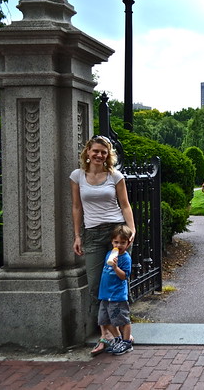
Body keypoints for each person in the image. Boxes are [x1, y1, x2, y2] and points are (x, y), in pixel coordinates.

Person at [70, 135, 136, 355]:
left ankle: (123, 332)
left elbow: (125, 205)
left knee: (118, 283)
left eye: (104, 152)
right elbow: (77, 207)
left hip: (115, 233)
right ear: (87, 152)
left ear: (108, 155)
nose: (99, 155)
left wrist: (131, 230)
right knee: (96, 285)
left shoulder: (115, 176)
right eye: (95, 151)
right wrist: (77, 235)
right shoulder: (77, 176)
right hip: (92, 235)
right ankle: (105, 334)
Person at [97, 225, 134, 356]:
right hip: (105, 295)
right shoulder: (109, 253)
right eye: (116, 242)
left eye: (122, 243)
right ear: (112, 242)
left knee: (122, 319)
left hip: (117, 295)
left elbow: (124, 276)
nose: (119, 245)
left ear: (128, 243)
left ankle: (126, 342)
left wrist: (115, 267)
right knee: (104, 320)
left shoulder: (125, 258)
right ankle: (117, 339)